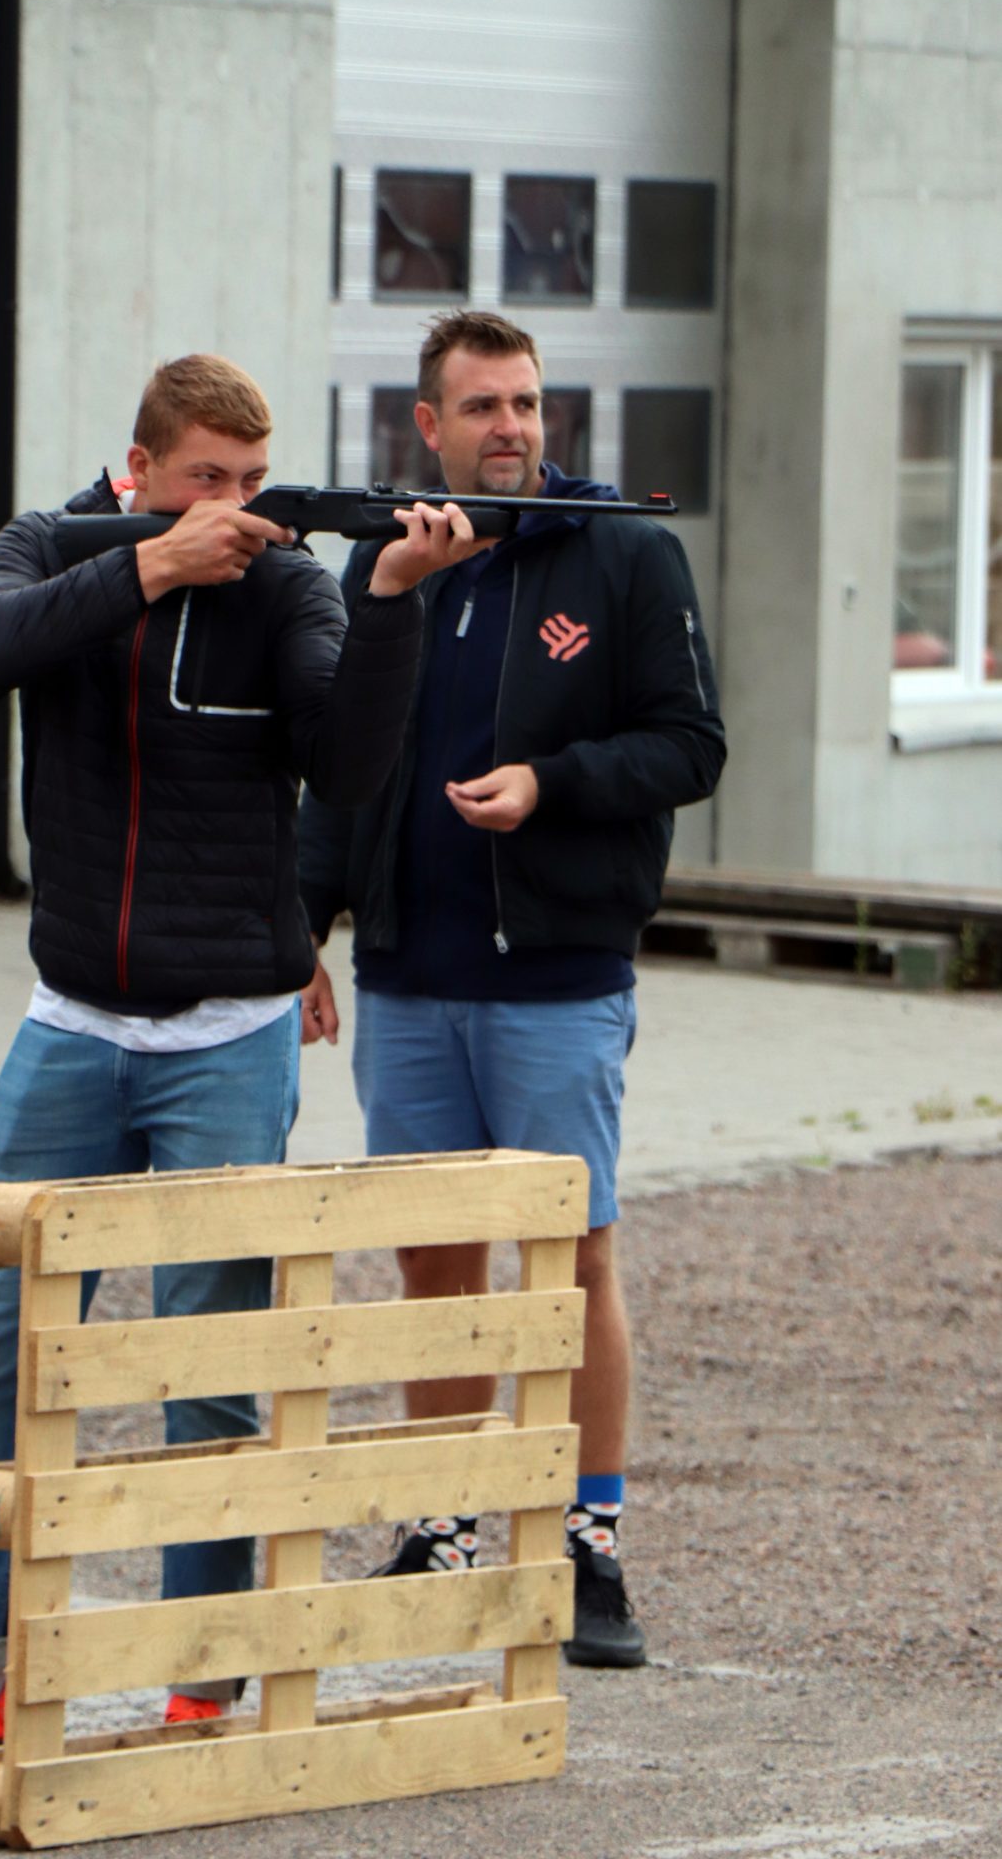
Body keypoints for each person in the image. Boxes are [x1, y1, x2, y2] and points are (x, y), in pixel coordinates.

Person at [0, 353, 486, 1777]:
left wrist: (388, 600)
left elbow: (350, 767)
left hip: (228, 1032)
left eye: (252, 483)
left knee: (210, 1370)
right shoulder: (60, 543)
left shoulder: (292, 585)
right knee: (4, 1355)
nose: (236, 507)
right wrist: (148, 567)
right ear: (140, 472)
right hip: (68, 1018)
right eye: (204, 482)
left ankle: (201, 1685)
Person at [298, 311, 726, 1668]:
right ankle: (443, 1528)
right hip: (406, 976)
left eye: (528, 403)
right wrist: (302, 929)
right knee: (434, 1257)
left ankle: (587, 1539)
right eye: (483, 405)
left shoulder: (623, 552)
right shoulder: (388, 563)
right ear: (427, 423)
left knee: (573, 1255)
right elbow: (341, 766)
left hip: (556, 975)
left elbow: (692, 745)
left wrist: (551, 785)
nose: (512, 427)